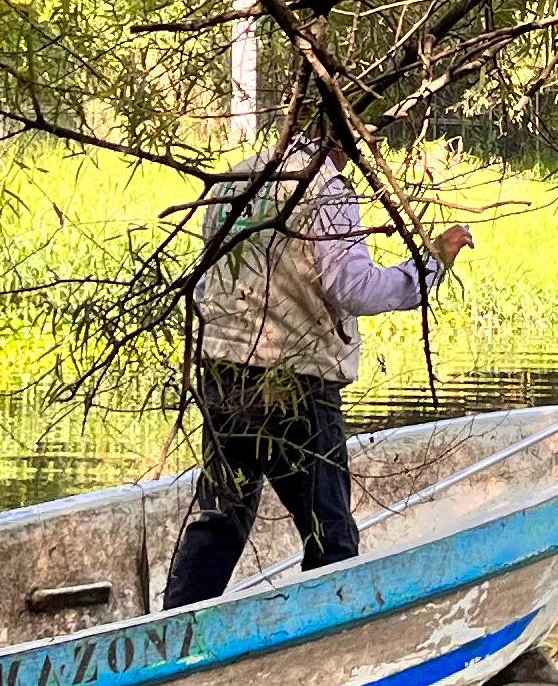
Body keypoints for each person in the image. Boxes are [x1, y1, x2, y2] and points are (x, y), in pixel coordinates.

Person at [162, 145, 471, 609]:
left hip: (223, 373)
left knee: (220, 521)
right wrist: (429, 265)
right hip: (295, 382)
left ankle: (173, 635)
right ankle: (325, 641)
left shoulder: (237, 179)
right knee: (331, 536)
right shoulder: (325, 190)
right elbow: (354, 288)